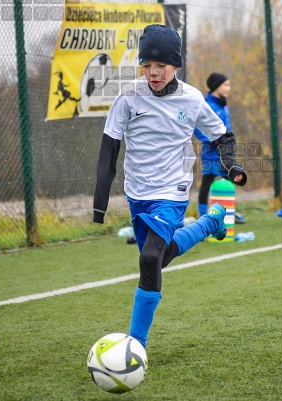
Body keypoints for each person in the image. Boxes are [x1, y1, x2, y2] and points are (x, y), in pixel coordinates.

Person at [92, 24, 247, 348]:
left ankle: (136, 345)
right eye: (147, 66)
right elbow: (109, 147)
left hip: (173, 190)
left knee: (149, 259)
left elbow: (222, 135)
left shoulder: (191, 99)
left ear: (175, 64)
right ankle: (210, 223)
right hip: (137, 193)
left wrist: (231, 164)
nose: (153, 72)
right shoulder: (128, 97)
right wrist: (99, 201)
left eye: (160, 66)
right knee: (158, 259)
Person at [193, 73, 232, 217]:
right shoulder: (207, 105)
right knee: (207, 184)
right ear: (217, 87)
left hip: (225, 153)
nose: (229, 88)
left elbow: (228, 129)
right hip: (211, 154)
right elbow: (197, 128)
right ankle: (203, 217)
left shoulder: (224, 105)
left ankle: (227, 214)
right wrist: (214, 140)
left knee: (229, 182)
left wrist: (228, 142)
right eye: (226, 85)